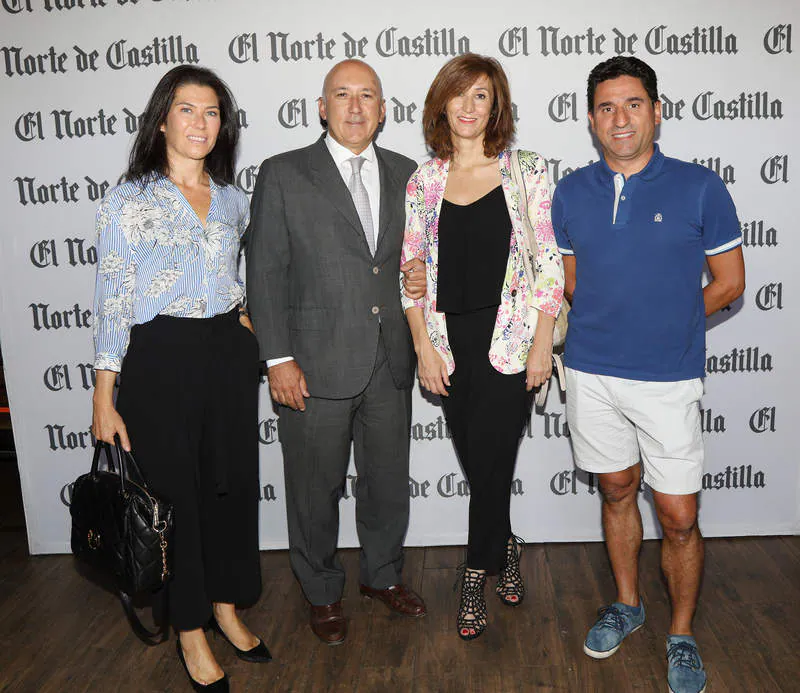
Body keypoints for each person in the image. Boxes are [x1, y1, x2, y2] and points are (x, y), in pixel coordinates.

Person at [552, 56, 745, 693]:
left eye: (633, 104)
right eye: (606, 107)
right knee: (614, 490)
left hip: (668, 376)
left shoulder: (700, 187)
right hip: (590, 372)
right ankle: (629, 605)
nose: (620, 118)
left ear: (657, 110)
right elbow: (571, 281)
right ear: (590, 119)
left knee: (680, 515)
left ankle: (682, 634)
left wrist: (670, 319)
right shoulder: (570, 191)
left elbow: (730, 283)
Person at [92, 65, 269, 692]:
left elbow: (234, 274)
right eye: (187, 110)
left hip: (225, 354)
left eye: (212, 112)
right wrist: (104, 396)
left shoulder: (233, 199)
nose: (201, 122)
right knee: (176, 499)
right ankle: (190, 627)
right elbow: (114, 298)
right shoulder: (128, 198)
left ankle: (226, 603)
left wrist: (245, 324)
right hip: (159, 358)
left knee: (230, 485)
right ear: (162, 118)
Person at [246, 59, 427, 646]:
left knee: (386, 484)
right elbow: (266, 272)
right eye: (342, 95)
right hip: (311, 365)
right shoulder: (283, 173)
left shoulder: (407, 173)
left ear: (382, 109)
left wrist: (420, 279)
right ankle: (322, 591)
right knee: (313, 488)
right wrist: (277, 358)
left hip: (389, 360)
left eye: (367, 96)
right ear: (321, 107)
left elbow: (408, 263)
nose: (355, 107)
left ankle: (380, 576)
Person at [400, 53, 564, 640]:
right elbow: (409, 270)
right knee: (483, 465)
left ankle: (474, 574)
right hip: (450, 344)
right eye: (459, 95)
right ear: (441, 103)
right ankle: (508, 544)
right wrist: (422, 345)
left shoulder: (527, 170)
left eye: (482, 97)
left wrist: (543, 343)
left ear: (497, 108)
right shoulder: (424, 180)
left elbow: (549, 264)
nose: (469, 108)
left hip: (512, 339)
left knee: (492, 458)